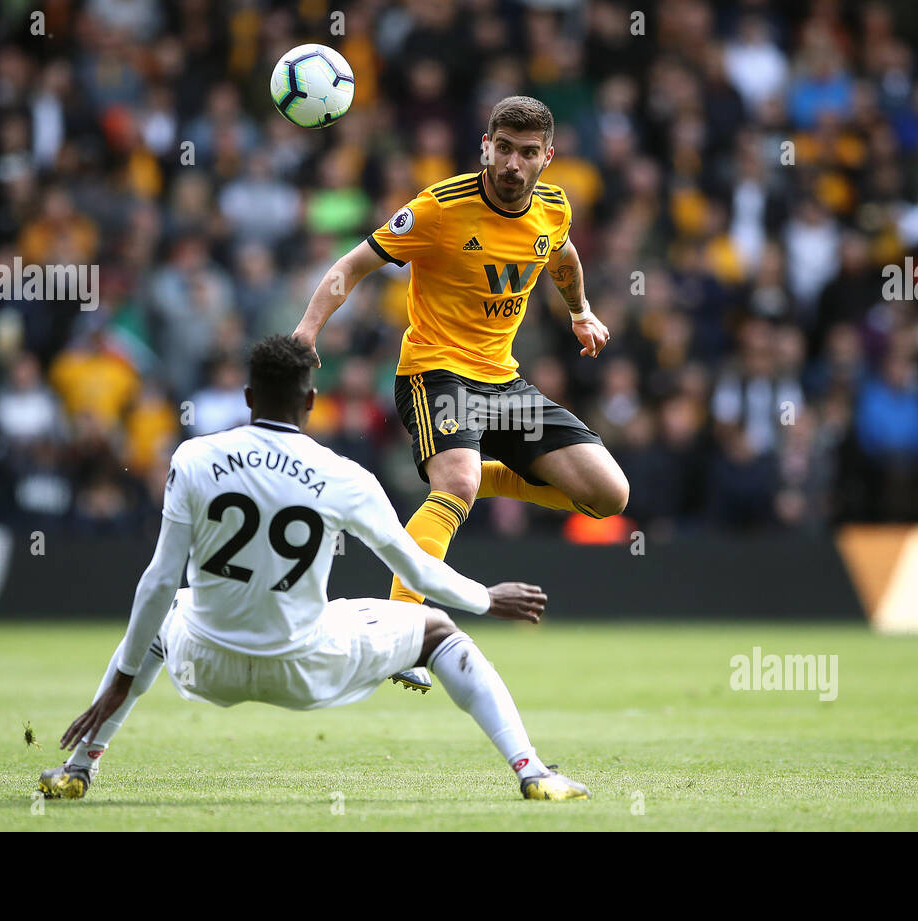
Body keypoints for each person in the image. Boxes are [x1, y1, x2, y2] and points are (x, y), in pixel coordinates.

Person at [37, 336, 589, 802]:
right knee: (439, 632)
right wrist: (489, 599)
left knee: (169, 610)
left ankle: (78, 769)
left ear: (249, 396)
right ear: (312, 400)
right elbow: (418, 573)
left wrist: (124, 678)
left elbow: (159, 579)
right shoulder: (343, 475)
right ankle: (532, 772)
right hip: (307, 665)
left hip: (207, 663)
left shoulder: (193, 458)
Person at [293, 96, 629, 692]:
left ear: (547, 158)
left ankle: (488, 475)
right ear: (485, 145)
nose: (513, 165)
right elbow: (351, 266)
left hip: (503, 382)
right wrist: (306, 335)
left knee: (608, 495)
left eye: (528, 154)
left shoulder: (553, 208)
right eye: (504, 149)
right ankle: (405, 631)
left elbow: (562, 253)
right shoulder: (439, 209)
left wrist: (580, 310)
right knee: (456, 483)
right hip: (435, 371)